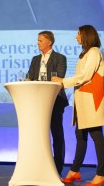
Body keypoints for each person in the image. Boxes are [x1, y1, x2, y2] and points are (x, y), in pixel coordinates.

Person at [52, 25, 104, 186]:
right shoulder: (84, 54)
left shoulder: (94, 52)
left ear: (86, 35)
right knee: (80, 135)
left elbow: (85, 76)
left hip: (92, 100)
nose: (76, 37)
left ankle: (102, 173)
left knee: (96, 135)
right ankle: (75, 170)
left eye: (78, 34)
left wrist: (63, 82)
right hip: (83, 101)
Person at [26, 30, 68, 176]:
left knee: (57, 134)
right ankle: (39, 166)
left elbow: (59, 78)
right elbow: (29, 77)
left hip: (55, 101)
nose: (37, 43)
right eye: (38, 40)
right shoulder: (35, 59)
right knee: (38, 134)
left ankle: (57, 169)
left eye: (40, 40)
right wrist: (28, 81)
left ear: (49, 42)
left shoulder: (60, 58)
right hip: (37, 102)